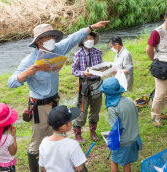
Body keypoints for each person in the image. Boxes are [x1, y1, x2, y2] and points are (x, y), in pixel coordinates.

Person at [7, 21, 110, 171]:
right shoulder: (29, 60)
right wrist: (25, 74)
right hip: (39, 107)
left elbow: (73, 39)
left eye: (52, 36)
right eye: (47, 37)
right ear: (39, 41)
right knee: (37, 142)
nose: (51, 40)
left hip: (55, 102)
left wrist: (90, 28)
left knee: (59, 136)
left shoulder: (57, 49)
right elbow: (11, 83)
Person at [99, 77, 142, 172]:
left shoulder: (112, 108)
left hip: (123, 142)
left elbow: (116, 129)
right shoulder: (130, 100)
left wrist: (111, 142)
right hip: (133, 137)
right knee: (126, 161)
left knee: (114, 160)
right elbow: (136, 116)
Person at [71, 31, 103, 143]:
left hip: (97, 83)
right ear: (82, 41)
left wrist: (103, 71)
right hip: (84, 84)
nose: (89, 40)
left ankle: (92, 132)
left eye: (91, 38)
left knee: (95, 109)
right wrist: (83, 73)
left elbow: (101, 66)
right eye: (86, 38)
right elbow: (73, 71)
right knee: (82, 109)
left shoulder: (98, 52)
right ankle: (78, 134)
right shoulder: (78, 55)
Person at [39, 105, 87, 172]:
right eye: (70, 120)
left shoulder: (44, 142)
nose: (71, 122)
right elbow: (79, 168)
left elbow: (42, 166)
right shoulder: (72, 144)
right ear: (64, 126)